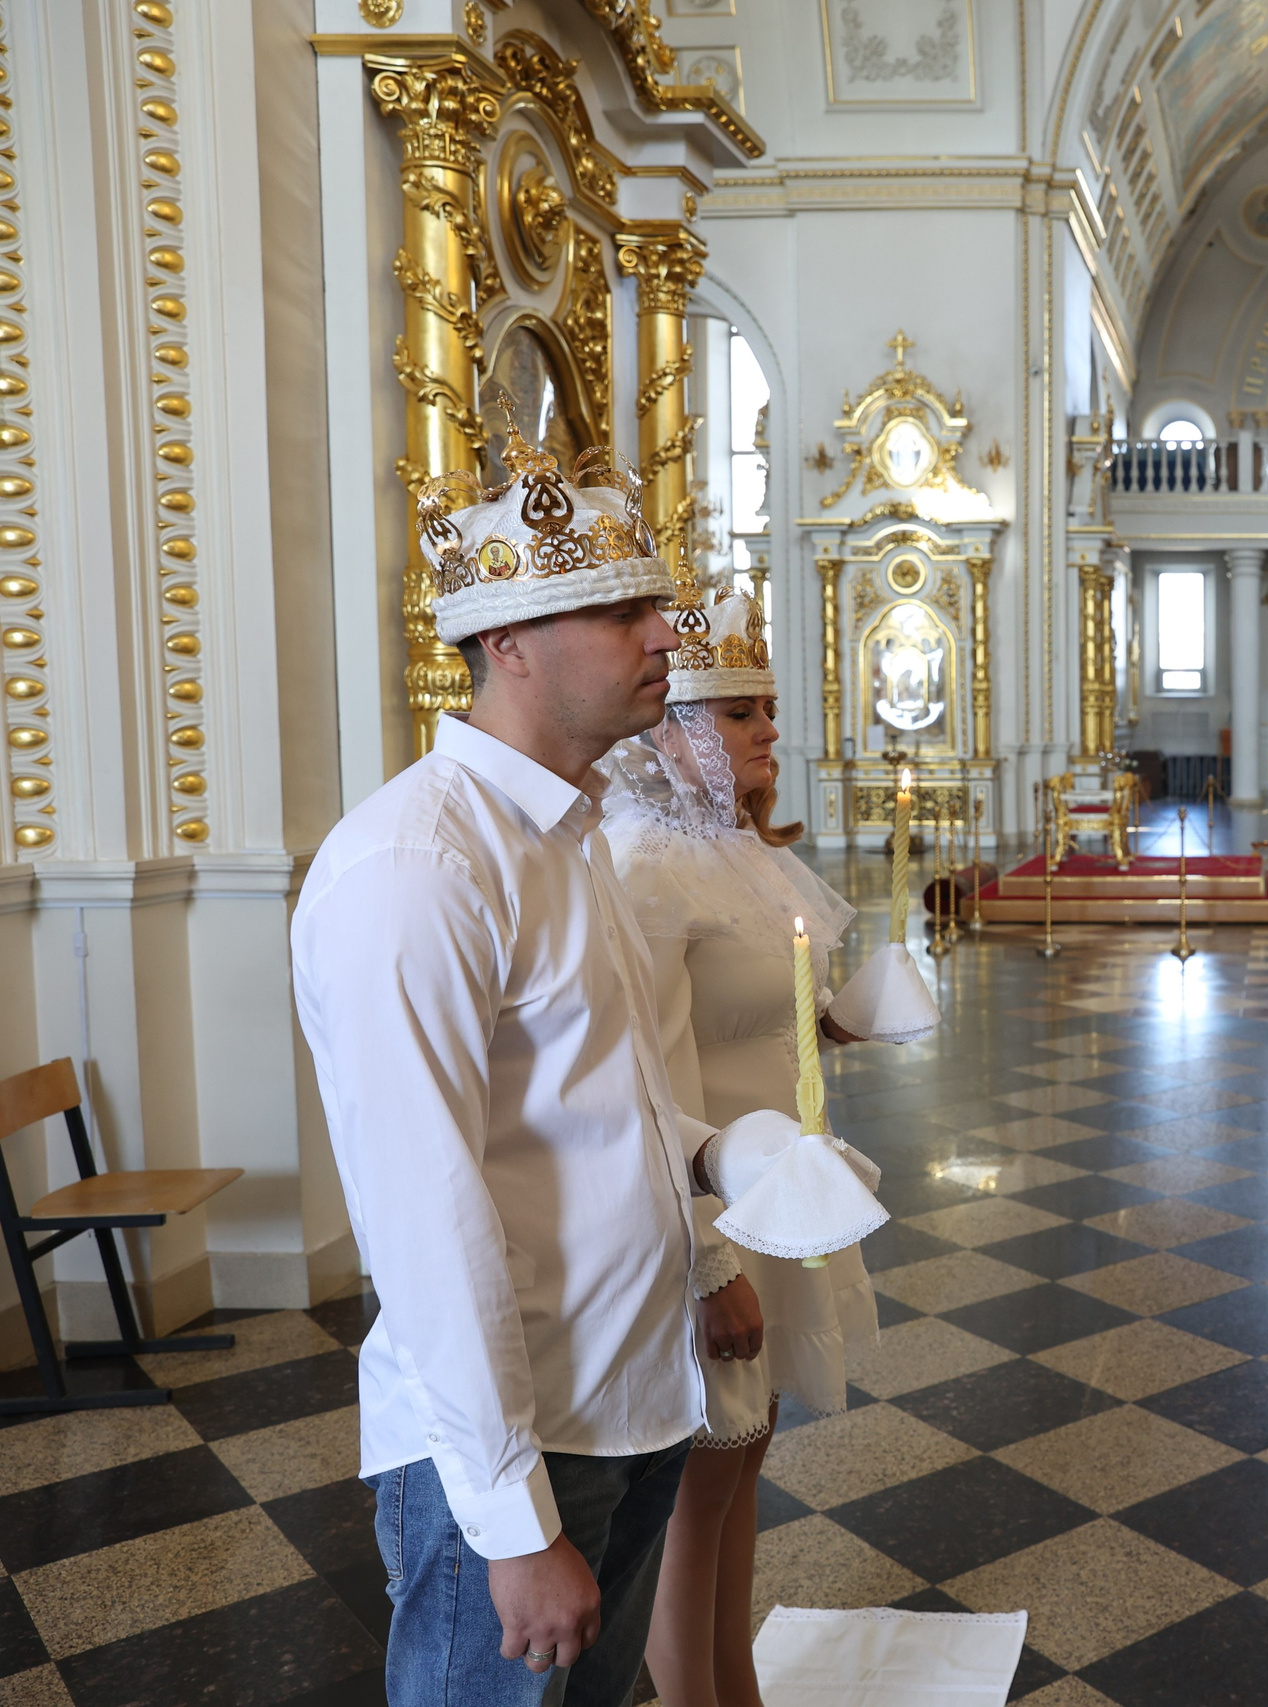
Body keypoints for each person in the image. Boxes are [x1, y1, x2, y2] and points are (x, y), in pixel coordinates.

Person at [294, 426, 794, 1707]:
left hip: (633, 1392)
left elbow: (606, 1103)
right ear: (508, 641)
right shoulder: (418, 866)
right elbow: (425, 1215)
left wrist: (722, 1179)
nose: (666, 634)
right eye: (622, 612)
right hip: (519, 1443)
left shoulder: (569, 837)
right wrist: (514, 1526)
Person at [601, 585, 881, 1707]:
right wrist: (707, 1263)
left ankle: (736, 1688)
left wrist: (836, 1021)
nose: (770, 728)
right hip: (713, 1215)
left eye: (765, 706)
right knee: (695, 1490)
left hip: (780, 1189)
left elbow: (762, 1018)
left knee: (743, 1461)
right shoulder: (643, 867)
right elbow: (655, 1085)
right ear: (669, 731)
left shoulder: (737, 852)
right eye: (738, 711)